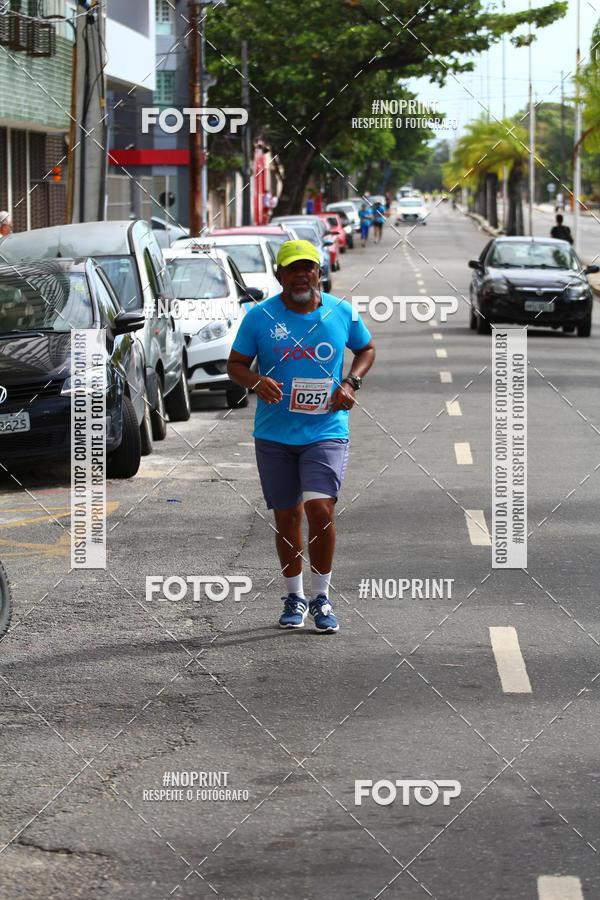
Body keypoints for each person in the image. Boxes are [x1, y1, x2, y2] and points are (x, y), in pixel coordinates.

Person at [227, 239, 375, 634]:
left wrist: (351, 382)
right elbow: (236, 365)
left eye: (307, 267)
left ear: (319, 272)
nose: (300, 275)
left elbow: (367, 349)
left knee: (320, 511)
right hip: (274, 434)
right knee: (287, 515)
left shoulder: (340, 312)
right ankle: (294, 596)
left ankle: (322, 597)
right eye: (292, 269)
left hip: (325, 430)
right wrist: (256, 381)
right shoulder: (259, 317)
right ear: (279, 275)